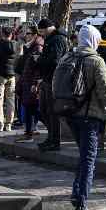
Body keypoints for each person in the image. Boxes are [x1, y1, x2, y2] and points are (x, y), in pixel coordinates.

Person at [64, 25, 106, 210]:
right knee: (88, 160)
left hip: (70, 114)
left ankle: (76, 193)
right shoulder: (96, 61)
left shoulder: (68, 56)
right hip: (91, 116)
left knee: (83, 156)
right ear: (94, 40)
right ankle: (81, 202)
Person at [37, 19, 69, 152]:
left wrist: (39, 59)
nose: (41, 34)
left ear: (48, 28)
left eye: (42, 31)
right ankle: (51, 137)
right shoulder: (51, 39)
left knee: (52, 112)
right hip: (47, 79)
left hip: (54, 80)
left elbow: (55, 60)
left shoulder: (58, 40)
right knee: (44, 111)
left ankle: (54, 141)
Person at [0, 26, 20, 132]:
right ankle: (9, 124)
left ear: (2, 34)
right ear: (11, 35)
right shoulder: (16, 45)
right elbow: (19, 59)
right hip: (12, 75)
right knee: (11, 100)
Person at [15, 27, 43, 142]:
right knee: (30, 107)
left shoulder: (37, 47)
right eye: (26, 34)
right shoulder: (29, 46)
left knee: (31, 107)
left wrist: (35, 82)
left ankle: (29, 133)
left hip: (31, 82)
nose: (27, 36)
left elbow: (37, 68)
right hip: (27, 81)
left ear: (35, 34)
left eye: (29, 33)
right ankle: (30, 131)